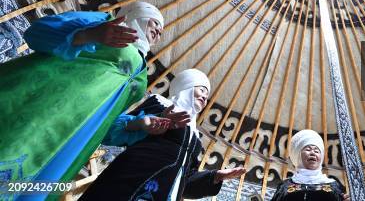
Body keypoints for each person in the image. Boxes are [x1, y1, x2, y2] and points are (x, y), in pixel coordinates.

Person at [0, 1, 164, 194]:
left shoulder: (142, 73)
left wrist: (139, 124)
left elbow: (106, 124)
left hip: (74, 141)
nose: (159, 32)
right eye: (155, 23)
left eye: (162, 31)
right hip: (40, 106)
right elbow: (36, 33)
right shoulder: (106, 23)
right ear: (137, 13)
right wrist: (90, 35)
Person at [79, 68, 246, 200]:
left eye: (207, 95)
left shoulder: (196, 138)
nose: (204, 97)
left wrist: (214, 177)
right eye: (201, 90)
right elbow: (113, 130)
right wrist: (144, 122)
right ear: (186, 86)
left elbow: (185, 181)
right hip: (131, 178)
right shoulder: (161, 104)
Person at [271, 129, 347, 201]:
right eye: (308, 149)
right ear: (298, 154)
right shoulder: (284, 186)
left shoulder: (333, 185)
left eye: (316, 151)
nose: (313, 153)